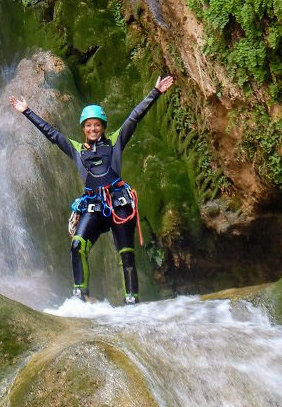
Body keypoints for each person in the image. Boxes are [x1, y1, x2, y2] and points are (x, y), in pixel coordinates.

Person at [10, 76, 174, 303]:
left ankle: (132, 300)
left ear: (103, 127)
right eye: (89, 125)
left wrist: (156, 91)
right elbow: (52, 135)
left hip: (118, 203)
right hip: (94, 206)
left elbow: (134, 117)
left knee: (126, 254)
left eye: (97, 124)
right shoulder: (77, 149)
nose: (93, 128)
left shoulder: (115, 142)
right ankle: (80, 294)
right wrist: (26, 111)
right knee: (78, 245)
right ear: (83, 129)